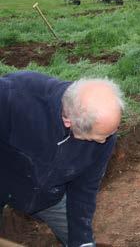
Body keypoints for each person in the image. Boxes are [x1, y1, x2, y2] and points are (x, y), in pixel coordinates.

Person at [0, 71, 125, 247]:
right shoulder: (14, 97)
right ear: (69, 122)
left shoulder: (105, 134)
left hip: (49, 195)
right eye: (98, 137)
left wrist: (82, 241)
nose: (105, 141)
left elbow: (84, 189)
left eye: (110, 133)